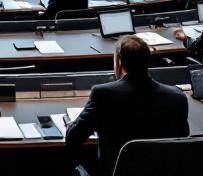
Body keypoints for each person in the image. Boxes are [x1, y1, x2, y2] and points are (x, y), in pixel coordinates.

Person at [65, 36, 188, 176]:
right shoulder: (177, 97)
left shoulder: (103, 94)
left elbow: (73, 139)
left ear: (118, 62)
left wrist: (72, 124)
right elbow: (183, 139)